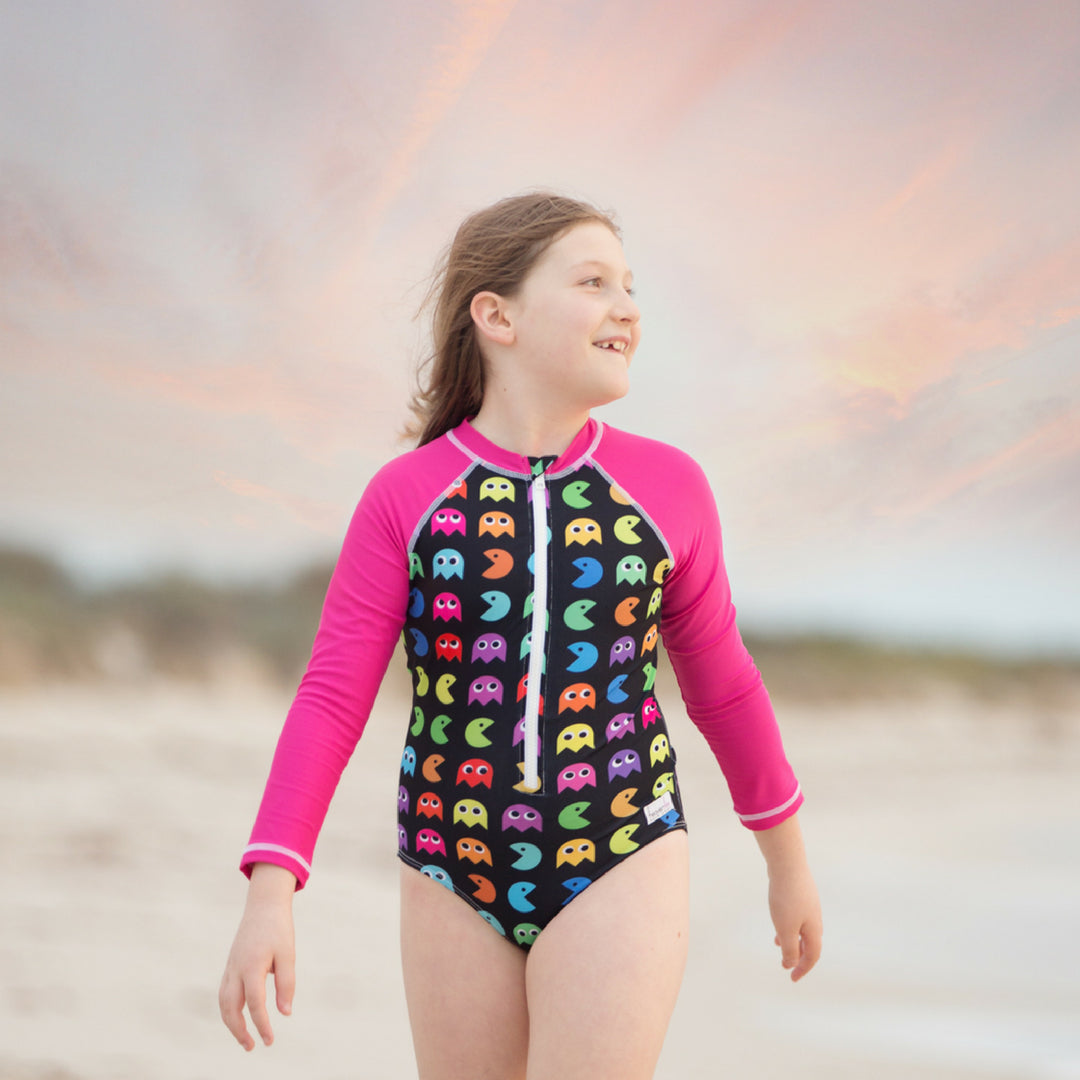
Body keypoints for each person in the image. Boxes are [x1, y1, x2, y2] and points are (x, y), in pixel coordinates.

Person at [219, 191, 822, 1079]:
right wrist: (272, 888)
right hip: (448, 855)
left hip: (623, 841)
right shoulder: (406, 496)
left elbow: (724, 686)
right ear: (496, 316)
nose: (627, 307)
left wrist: (789, 863)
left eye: (630, 285)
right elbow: (333, 695)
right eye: (593, 282)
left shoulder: (670, 489)